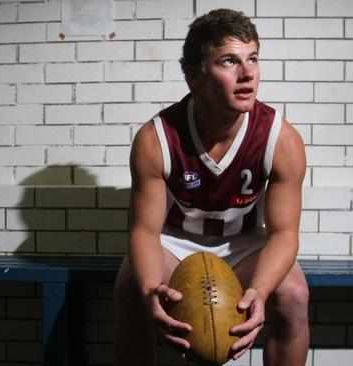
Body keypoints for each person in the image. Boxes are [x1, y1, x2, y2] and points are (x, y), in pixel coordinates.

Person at [113, 8, 309, 366]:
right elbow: (143, 232)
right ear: (194, 76)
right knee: (130, 289)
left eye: (253, 59)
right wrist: (149, 291)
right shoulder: (155, 139)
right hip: (174, 242)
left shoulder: (282, 140)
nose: (248, 73)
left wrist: (260, 292)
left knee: (293, 295)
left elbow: (283, 234)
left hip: (245, 244)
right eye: (229, 61)